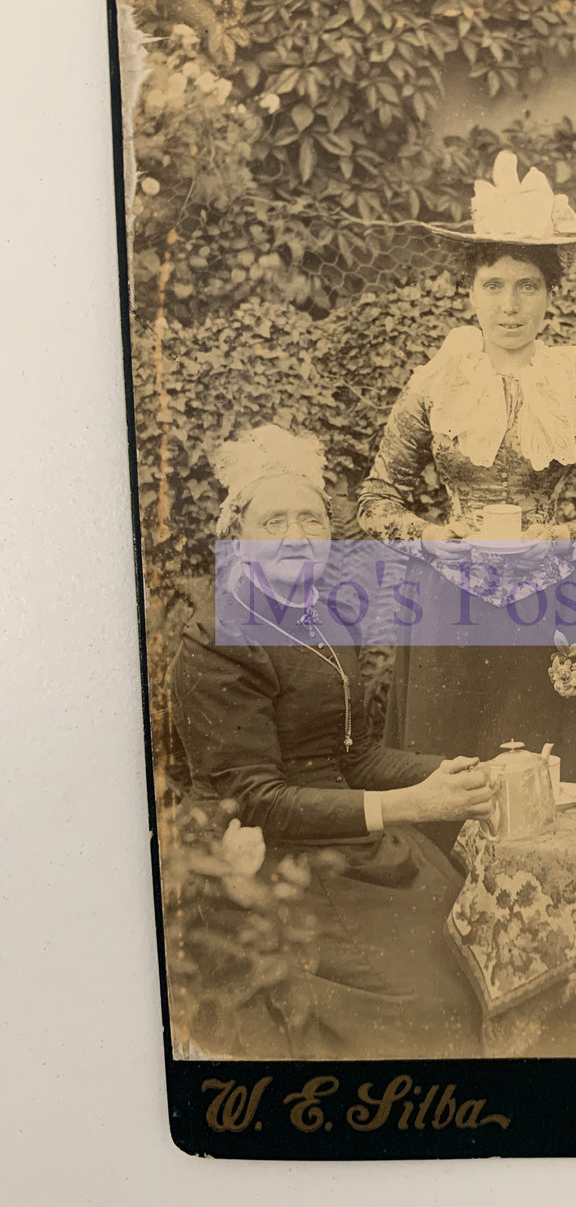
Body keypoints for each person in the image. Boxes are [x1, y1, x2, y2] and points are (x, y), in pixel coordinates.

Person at [168, 424, 491, 1059]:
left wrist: (457, 772)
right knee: (429, 1005)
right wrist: (410, 807)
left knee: (477, 947)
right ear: (237, 536)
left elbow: (355, 756)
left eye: (311, 518)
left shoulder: (326, 614)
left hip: (352, 838)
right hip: (272, 858)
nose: (296, 533)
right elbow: (254, 800)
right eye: (274, 520)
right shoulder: (217, 642)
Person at [357, 151, 576, 784]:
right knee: (453, 772)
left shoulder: (575, 386)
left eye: (527, 286)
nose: (510, 305)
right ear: (470, 292)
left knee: (547, 773)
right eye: (493, 284)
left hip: (552, 604)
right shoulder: (434, 385)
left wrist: (566, 535)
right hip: (448, 604)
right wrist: (435, 535)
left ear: (550, 296)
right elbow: (375, 501)